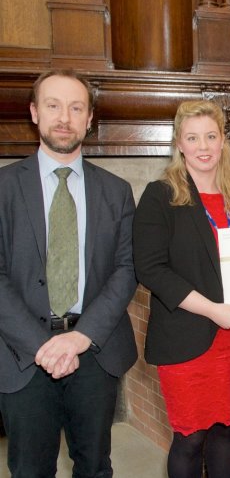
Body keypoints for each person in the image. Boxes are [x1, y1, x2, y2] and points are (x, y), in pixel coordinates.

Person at [0, 69, 137, 477]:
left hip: (94, 350)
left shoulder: (116, 191)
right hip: (21, 353)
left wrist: (81, 336)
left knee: (95, 466)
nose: (65, 117)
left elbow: (126, 269)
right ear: (34, 113)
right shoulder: (4, 187)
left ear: (89, 118)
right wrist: (42, 345)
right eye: (53, 105)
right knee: (29, 469)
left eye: (76, 107)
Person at [133, 100, 230, 478]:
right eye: (193, 138)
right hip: (188, 336)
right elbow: (151, 269)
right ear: (179, 143)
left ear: (223, 141)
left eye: (211, 136)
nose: (203, 146)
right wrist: (212, 309)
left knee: (228, 431)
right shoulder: (160, 195)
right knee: (190, 437)